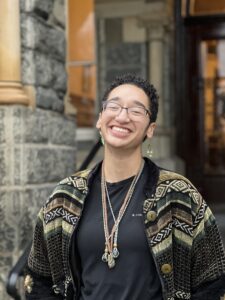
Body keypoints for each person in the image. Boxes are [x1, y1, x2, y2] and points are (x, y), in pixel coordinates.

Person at [24, 74, 225, 300]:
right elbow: (39, 279)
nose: (122, 116)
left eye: (137, 110)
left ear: (150, 129)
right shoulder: (65, 196)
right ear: (100, 119)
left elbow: (212, 281)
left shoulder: (178, 195)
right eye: (114, 106)